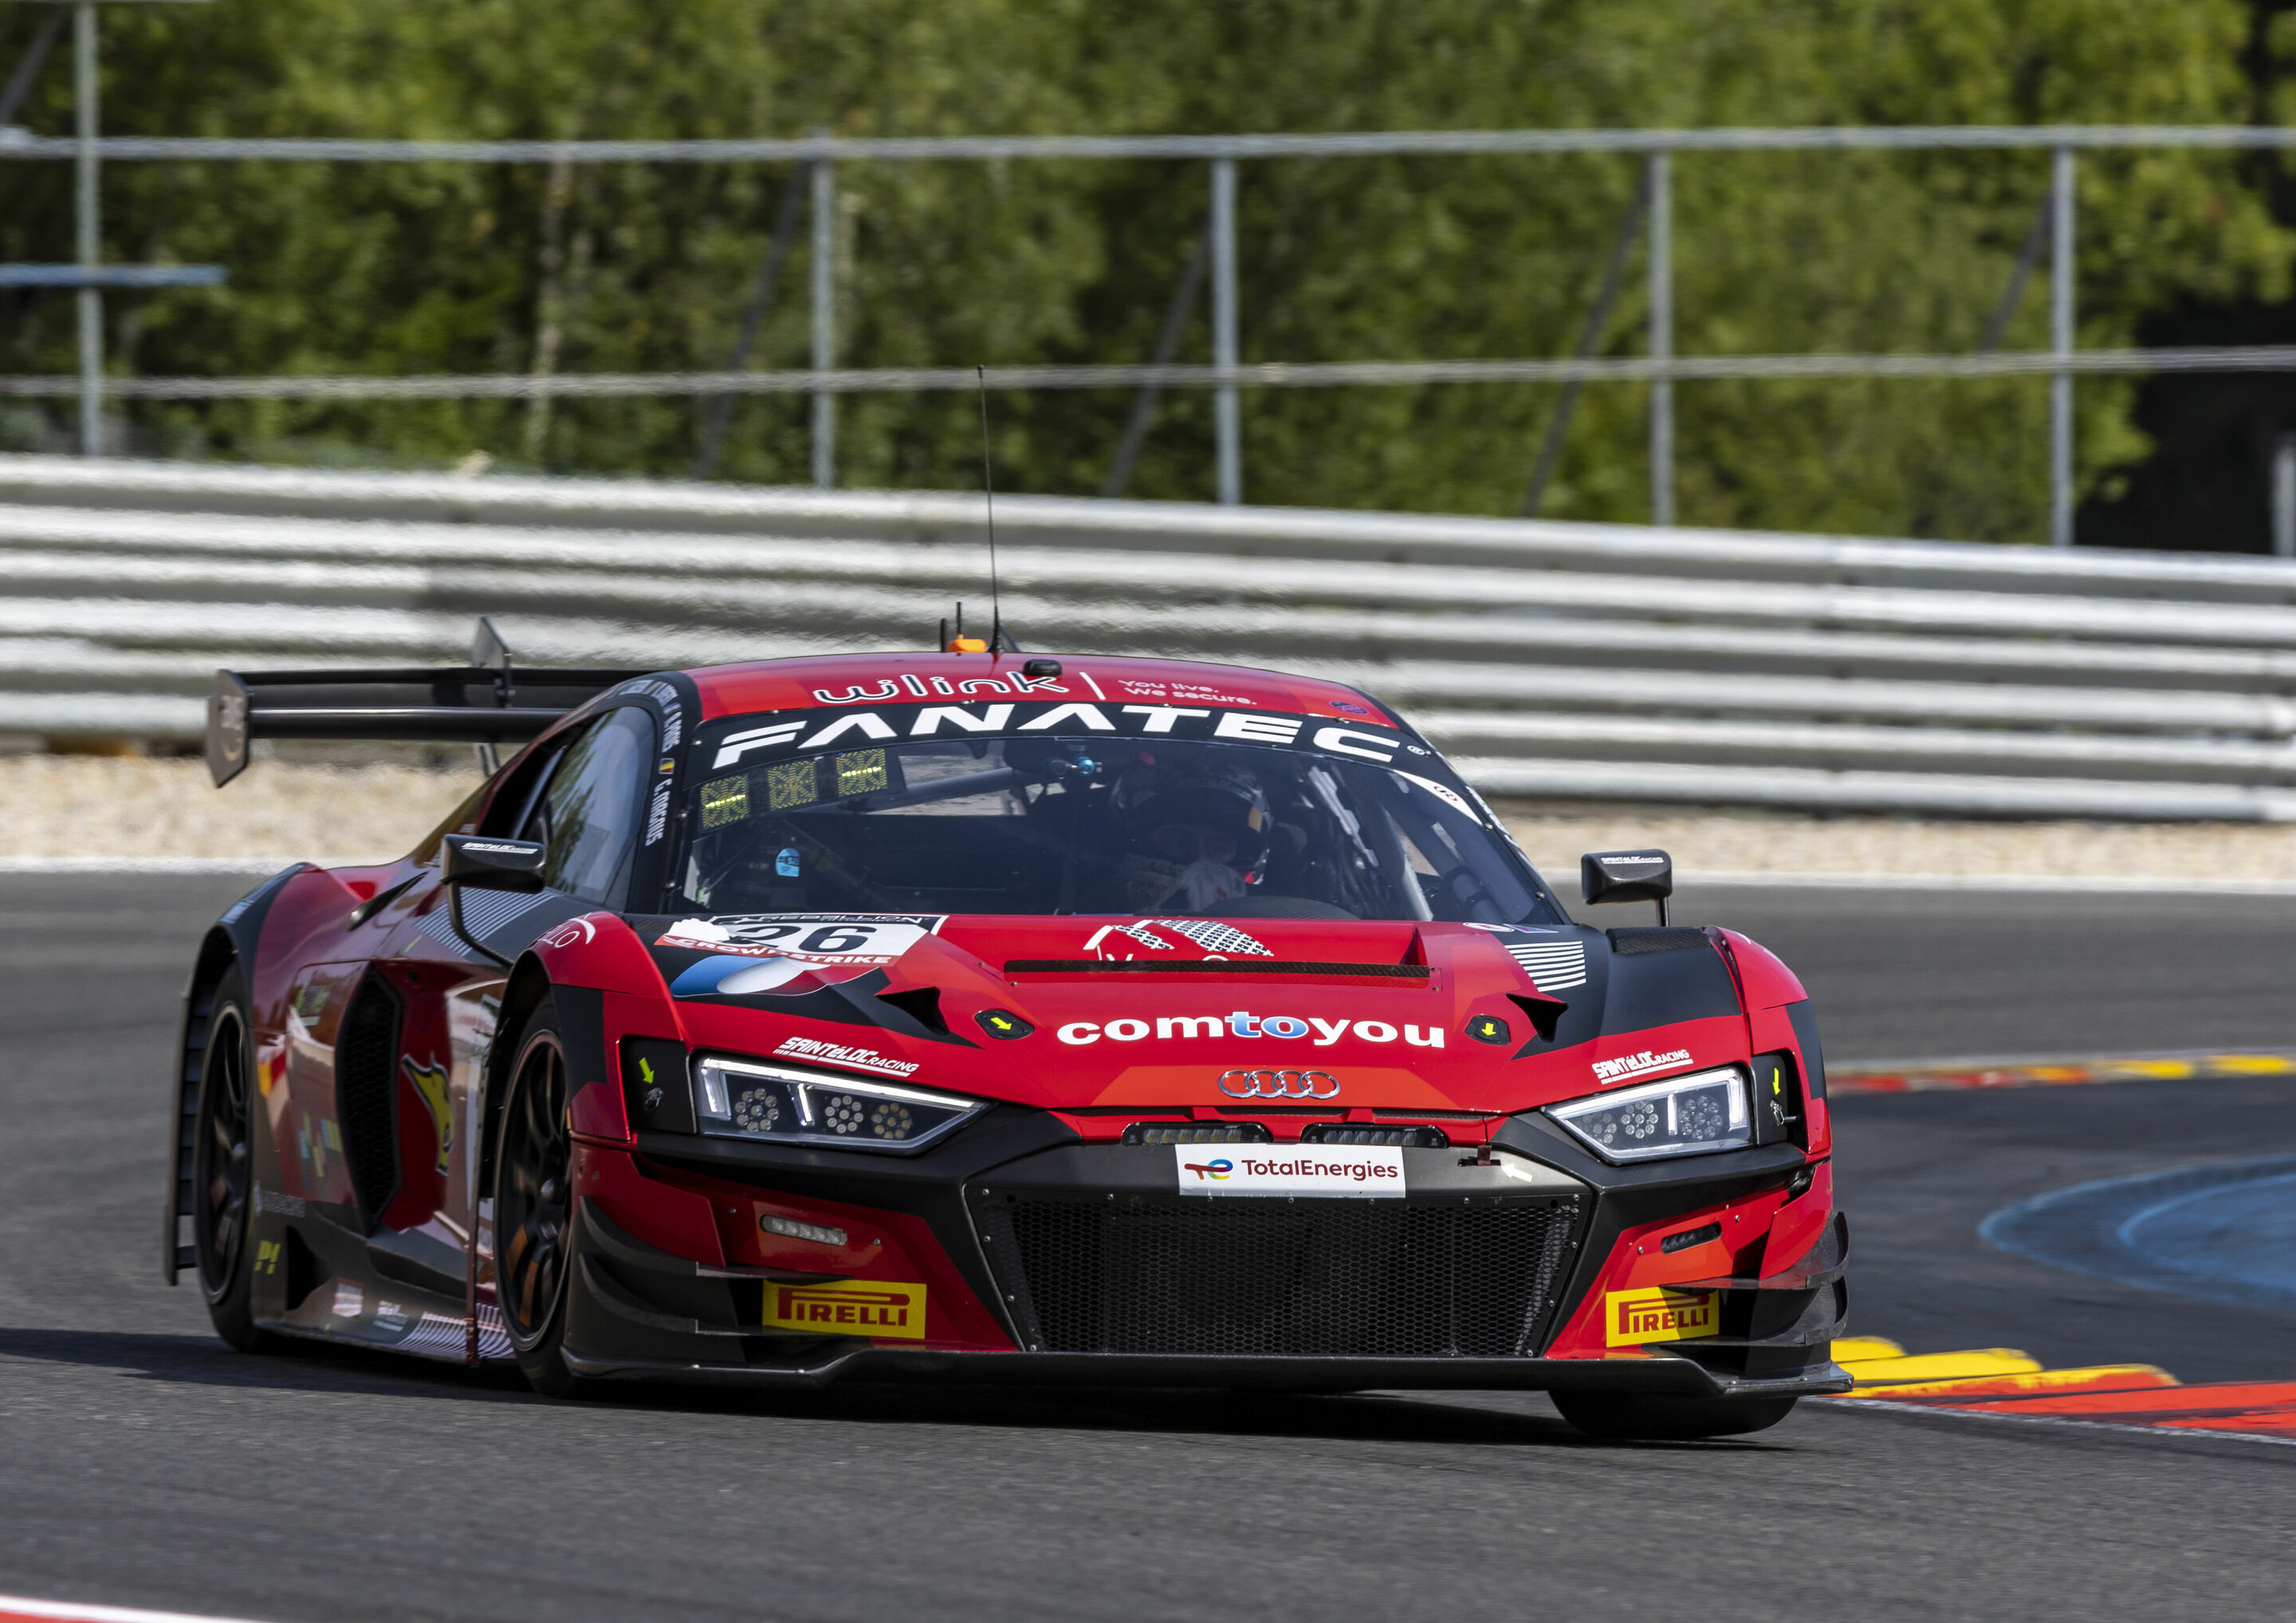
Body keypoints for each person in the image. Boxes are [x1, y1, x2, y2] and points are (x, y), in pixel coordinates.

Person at [1108, 753, 1273, 912]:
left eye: (1219, 848)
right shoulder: (1086, 913)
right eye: (1177, 842)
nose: (1199, 859)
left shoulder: (1280, 924)